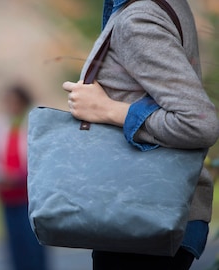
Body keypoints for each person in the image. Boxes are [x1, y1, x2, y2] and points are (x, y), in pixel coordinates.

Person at [62, 0, 219, 269]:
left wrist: (108, 109)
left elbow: (200, 122)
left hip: (140, 220)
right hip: (149, 214)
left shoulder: (138, 18)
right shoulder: (160, 6)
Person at [0, 83, 48, 270]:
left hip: (29, 198)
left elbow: (39, 158)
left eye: (13, 101)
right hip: (7, 195)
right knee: (15, 247)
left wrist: (18, 176)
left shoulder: (32, 122)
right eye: (6, 101)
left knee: (33, 247)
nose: (9, 106)